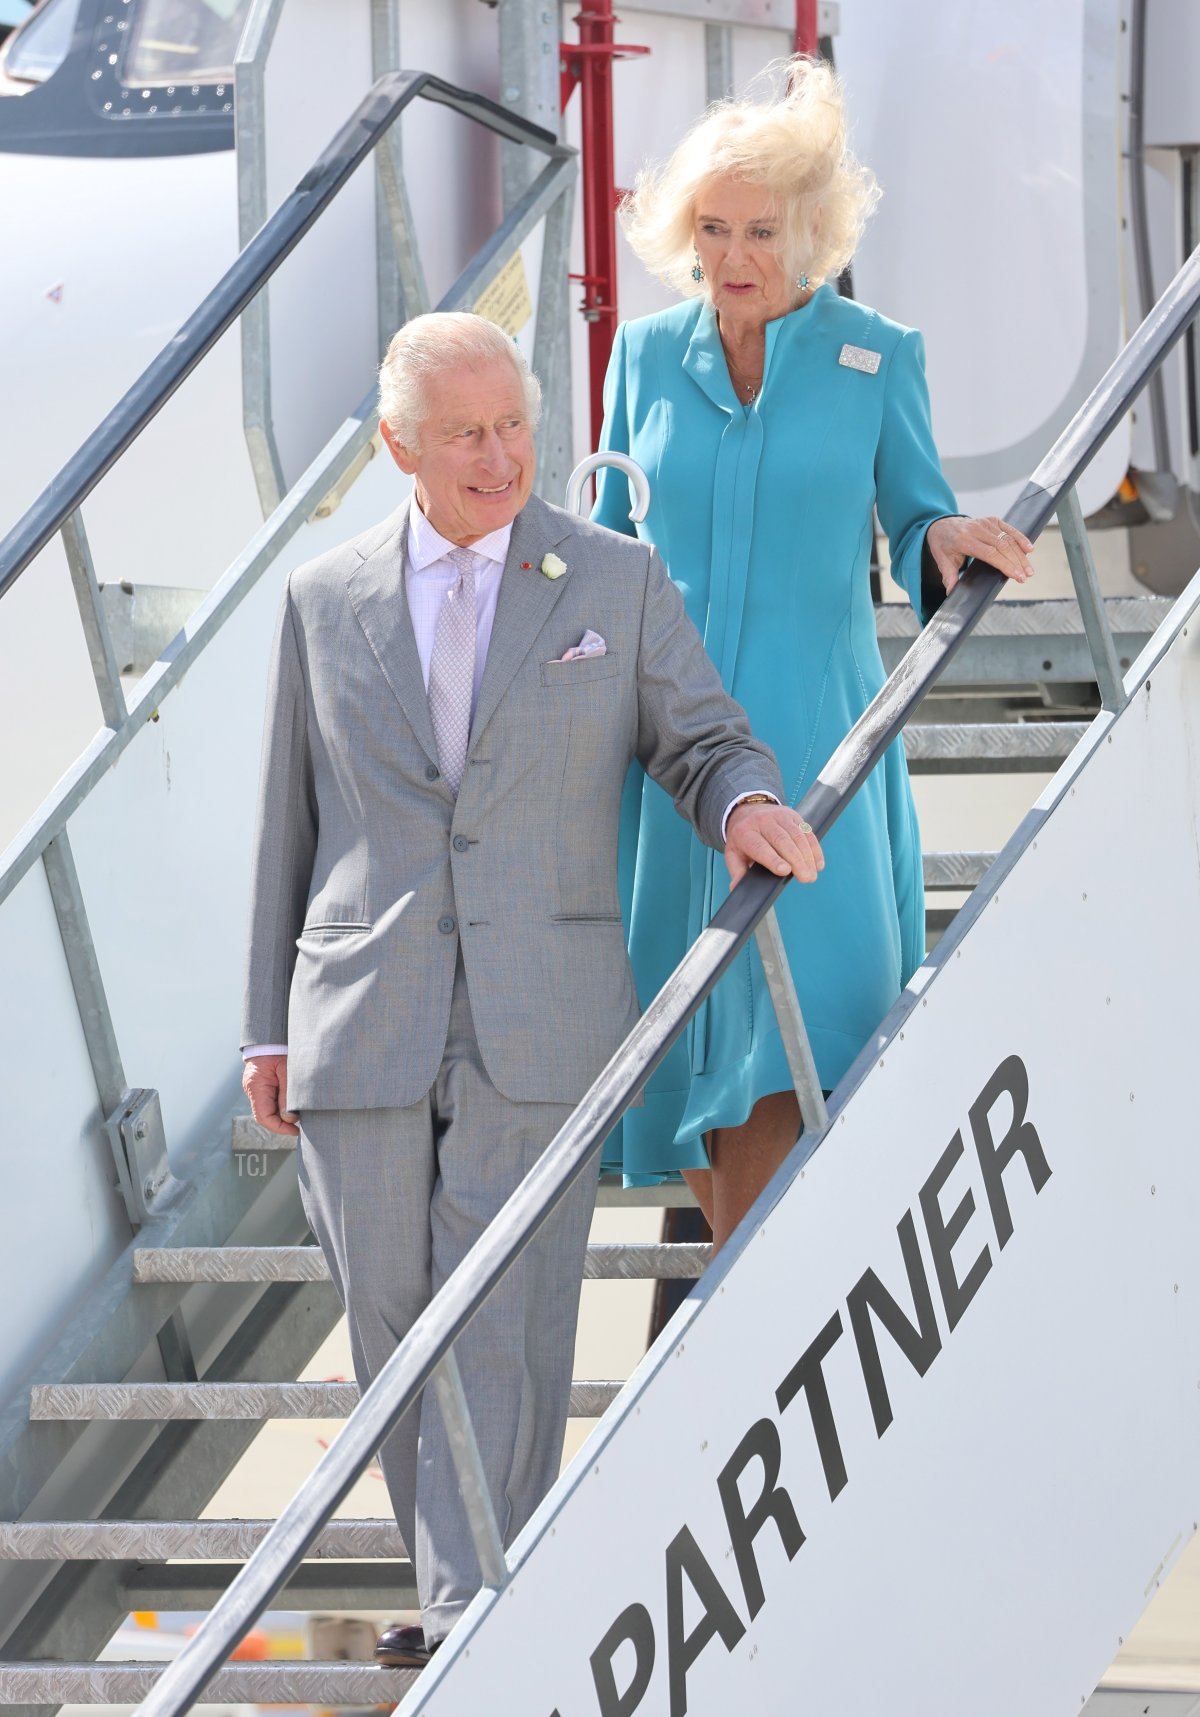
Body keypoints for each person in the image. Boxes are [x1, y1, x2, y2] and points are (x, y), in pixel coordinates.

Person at [239, 311, 824, 1666]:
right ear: (399, 445)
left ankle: (467, 1616)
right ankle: (467, 1578)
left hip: (542, 1007)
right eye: (467, 434)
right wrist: (266, 1022)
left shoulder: (609, 579)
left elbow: (704, 736)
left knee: (502, 1306)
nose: (502, 456)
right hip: (357, 1013)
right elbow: (291, 817)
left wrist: (740, 802)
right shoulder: (324, 598)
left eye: (515, 426)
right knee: (392, 1310)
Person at [594, 58, 1035, 1253]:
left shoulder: (876, 355)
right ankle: (729, 1330)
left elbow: (915, 519)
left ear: (815, 234)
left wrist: (946, 535)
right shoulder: (642, 359)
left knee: (800, 1062)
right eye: (715, 228)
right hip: (674, 777)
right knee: (698, 1090)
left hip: (818, 759)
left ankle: (718, 1352)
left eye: (765, 231)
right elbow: (607, 556)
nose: (736, 255)